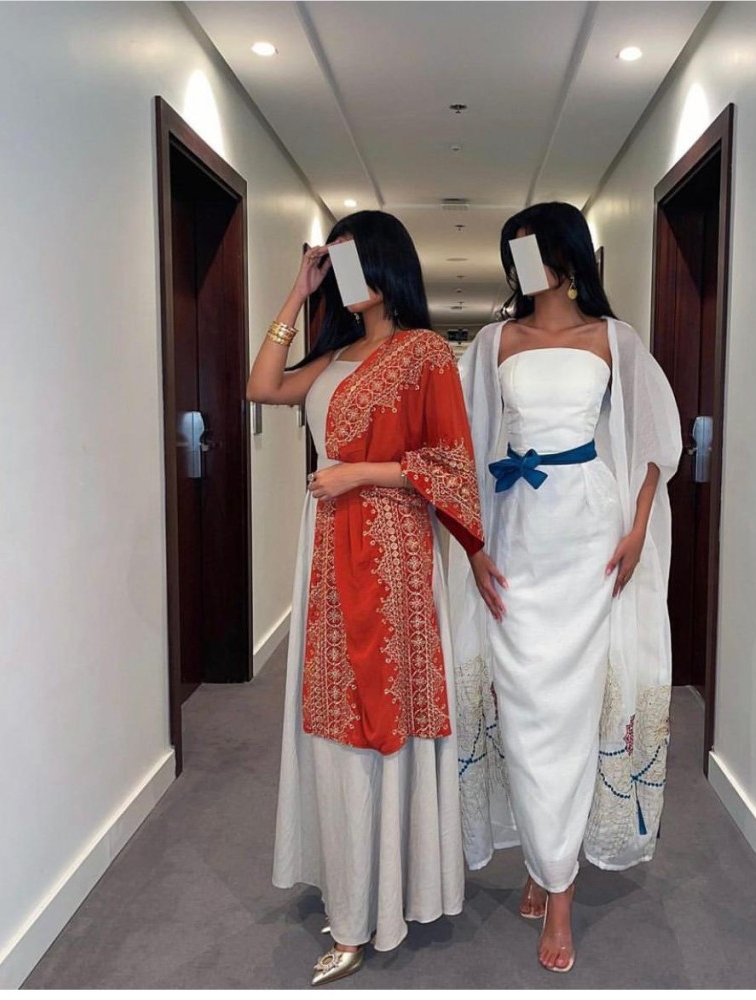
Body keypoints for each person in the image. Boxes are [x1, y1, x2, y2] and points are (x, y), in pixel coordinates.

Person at [247, 211, 484, 986]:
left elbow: (453, 468)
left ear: (383, 265)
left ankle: (382, 897)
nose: (341, 279)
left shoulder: (423, 354)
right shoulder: (334, 354)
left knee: (381, 711)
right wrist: (297, 291)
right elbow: (261, 386)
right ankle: (350, 886)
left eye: (351, 263)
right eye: (333, 265)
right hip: (325, 551)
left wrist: (360, 473)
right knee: (332, 716)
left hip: (391, 554)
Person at [448, 202, 681, 973]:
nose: (521, 266)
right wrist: (473, 546)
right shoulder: (492, 343)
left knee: (575, 708)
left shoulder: (614, 339)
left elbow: (653, 442)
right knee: (521, 708)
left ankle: (559, 892)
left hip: (587, 532)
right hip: (515, 530)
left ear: (565, 255)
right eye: (510, 253)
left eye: (531, 251)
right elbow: (461, 445)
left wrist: (637, 527)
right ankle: (539, 856)